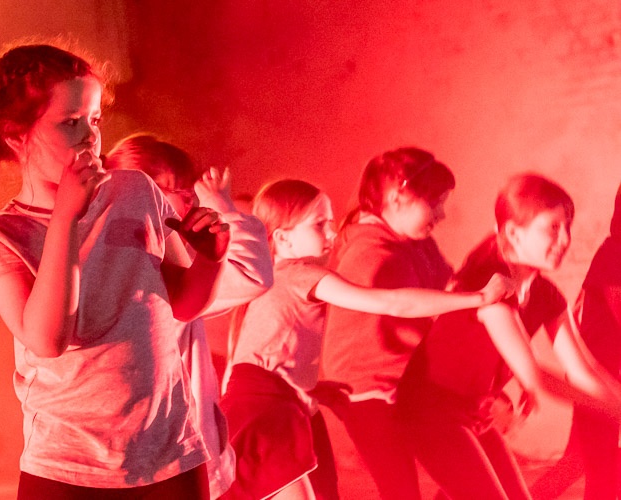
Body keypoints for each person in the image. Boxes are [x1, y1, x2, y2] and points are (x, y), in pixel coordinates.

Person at [0, 43, 231, 499]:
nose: (89, 135)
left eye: (95, 119)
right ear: (15, 136)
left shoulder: (136, 191)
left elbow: (184, 304)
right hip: (66, 469)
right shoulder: (0, 236)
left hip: (168, 457)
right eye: (70, 122)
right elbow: (47, 340)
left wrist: (212, 259)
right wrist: (66, 218)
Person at [220, 178, 511, 500]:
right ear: (283, 237)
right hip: (268, 412)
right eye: (319, 225)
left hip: (262, 407)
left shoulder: (271, 280)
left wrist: (309, 387)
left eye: (330, 223)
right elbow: (393, 303)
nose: (331, 233)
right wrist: (479, 298)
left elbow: (260, 357)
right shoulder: (302, 276)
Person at [396, 173, 621, 500]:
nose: (564, 240)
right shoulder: (489, 285)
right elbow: (535, 376)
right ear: (514, 232)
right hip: (429, 414)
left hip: (474, 415)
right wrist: (612, 405)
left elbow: (584, 368)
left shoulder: (546, 294)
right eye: (553, 228)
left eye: (568, 227)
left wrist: (614, 400)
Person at [105, 133, 274, 499]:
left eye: (189, 189)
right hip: (165, 458)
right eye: (175, 189)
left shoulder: (159, 256)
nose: (189, 199)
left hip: (162, 456)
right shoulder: (158, 268)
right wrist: (221, 205)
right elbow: (253, 274)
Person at [320, 147, 457, 499]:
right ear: (398, 197)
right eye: (434, 203)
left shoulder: (418, 244)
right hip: (367, 393)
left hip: (405, 386)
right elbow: (404, 309)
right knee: (401, 491)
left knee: (461, 476)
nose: (442, 214)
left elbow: (450, 290)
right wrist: (479, 299)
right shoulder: (367, 250)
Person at [531, 181, 621, 500]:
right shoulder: (613, 253)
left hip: (606, 378)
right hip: (595, 375)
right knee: (595, 465)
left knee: (582, 462)